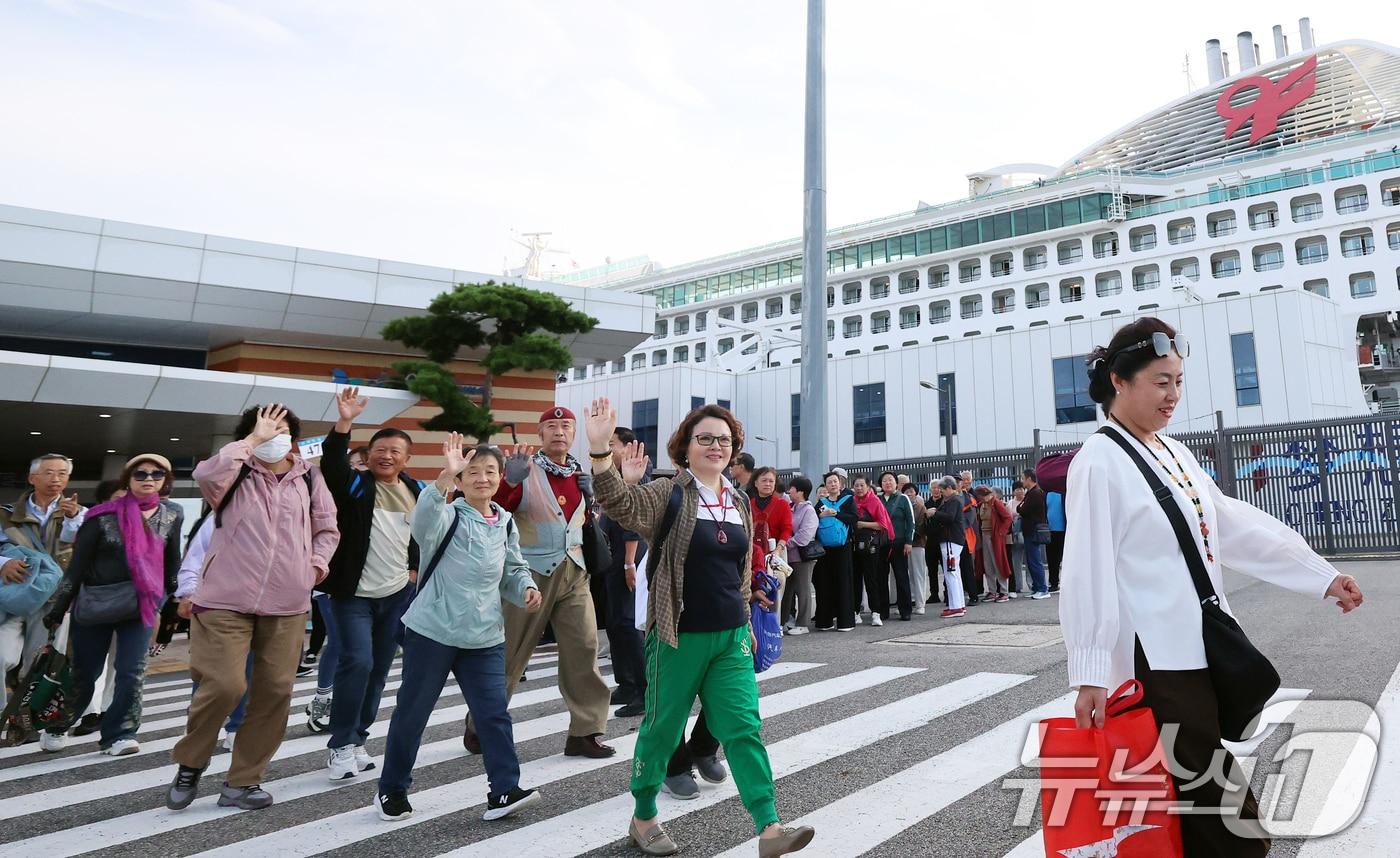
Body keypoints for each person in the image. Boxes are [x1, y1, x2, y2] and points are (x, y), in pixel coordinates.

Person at [1062, 317, 1364, 856]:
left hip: (1199, 647)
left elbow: (1229, 523)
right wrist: (1090, 674)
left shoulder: (1174, 453)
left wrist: (1321, 575)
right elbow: (1086, 571)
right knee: (1205, 792)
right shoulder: (1099, 462)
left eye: (1178, 380)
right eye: (1160, 381)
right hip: (1151, 660)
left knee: (1193, 790)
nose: (1174, 394)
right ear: (1118, 381)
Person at [589, 399, 815, 857]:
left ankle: (769, 826)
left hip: (731, 636)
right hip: (677, 635)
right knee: (662, 729)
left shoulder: (737, 500)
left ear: (734, 451)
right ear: (685, 447)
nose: (715, 446)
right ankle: (644, 815)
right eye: (705, 438)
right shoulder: (667, 493)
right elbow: (618, 504)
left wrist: (749, 614)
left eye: (724, 440)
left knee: (743, 727)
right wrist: (600, 453)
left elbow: (739, 570)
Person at [166, 403, 340, 812]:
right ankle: (191, 761)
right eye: (265, 428)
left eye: (281, 429)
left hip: (288, 602)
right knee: (225, 685)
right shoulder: (233, 472)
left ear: (294, 439)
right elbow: (205, 474)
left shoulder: (310, 478)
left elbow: (327, 529)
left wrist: (315, 566)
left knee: (275, 691)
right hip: (224, 599)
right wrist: (251, 441)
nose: (273, 435)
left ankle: (243, 780)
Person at [375, 434, 544, 822]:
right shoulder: (447, 514)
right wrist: (442, 480)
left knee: (493, 715)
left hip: (483, 636)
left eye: (490, 471)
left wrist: (527, 589)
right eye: (472, 472)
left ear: (501, 477)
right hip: (432, 631)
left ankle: (504, 790)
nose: (482, 478)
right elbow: (421, 523)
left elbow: (512, 570)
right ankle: (392, 789)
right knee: (413, 713)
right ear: (462, 479)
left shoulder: (503, 523)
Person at [463, 406, 614, 759]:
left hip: (574, 571)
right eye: (551, 426)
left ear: (574, 433)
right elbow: (493, 511)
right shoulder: (524, 468)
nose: (559, 432)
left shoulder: (580, 471)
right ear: (540, 432)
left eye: (565, 426)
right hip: (527, 573)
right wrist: (510, 482)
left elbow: (584, 520)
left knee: (584, 648)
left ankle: (585, 731)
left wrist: (593, 497)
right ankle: (480, 724)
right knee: (510, 652)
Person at [39, 454, 183, 755]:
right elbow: (76, 568)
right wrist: (58, 607)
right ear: (128, 480)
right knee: (85, 673)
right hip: (96, 604)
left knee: (132, 670)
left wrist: (171, 604)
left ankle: (120, 734)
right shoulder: (101, 517)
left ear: (165, 481)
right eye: (140, 474)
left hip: (141, 605)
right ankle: (58, 724)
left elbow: (172, 561)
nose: (148, 479)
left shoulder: (172, 514)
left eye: (156, 475)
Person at [319, 388, 425, 781]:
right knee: (357, 662)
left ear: (406, 458)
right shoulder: (356, 485)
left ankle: (358, 738)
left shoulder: (415, 491)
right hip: (352, 595)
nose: (387, 455)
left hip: (397, 595)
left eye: (396, 451)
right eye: (380, 449)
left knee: (379, 668)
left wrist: (413, 572)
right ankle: (340, 745)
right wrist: (344, 422)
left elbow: (424, 534)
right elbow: (332, 466)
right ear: (368, 454)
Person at [0, 453, 84, 714]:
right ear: (32, 478)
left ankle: (28, 716)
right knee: (2, 656)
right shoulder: (5, 514)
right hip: (15, 596)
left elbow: (84, 552)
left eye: (62, 473)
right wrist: (3, 562)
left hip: (54, 602)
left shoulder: (82, 516)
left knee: (39, 664)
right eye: (48, 472)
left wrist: (74, 519)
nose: (56, 479)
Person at [175, 513, 252, 752]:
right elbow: (196, 554)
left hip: (262, 604)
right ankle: (200, 731)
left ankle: (237, 727)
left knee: (248, 670)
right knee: (210, 670)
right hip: (216, 602)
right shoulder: (224, 511)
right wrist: (188, 591)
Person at [601, 426, 648, 718]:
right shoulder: (613, 474)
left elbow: (633, 520)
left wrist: (630, 563)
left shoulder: (636, 472)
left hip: (629, 555)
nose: (608, 448)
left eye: (612, 443)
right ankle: (626, 684)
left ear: (629, 446)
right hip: (613, 555)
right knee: (615, 623)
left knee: (630, 625)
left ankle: (644, 691)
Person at [812, 472, 856, 632]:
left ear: (840, 484)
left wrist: (836, 513)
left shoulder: (848, 500)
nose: (832, 484)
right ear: (825, 485)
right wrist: (821, 515)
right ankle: (825, 621)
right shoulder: (820, 503)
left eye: (835, 481)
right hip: (824, 550)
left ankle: (846, 622)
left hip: (843, 548)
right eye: (829, 482)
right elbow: (813, 522)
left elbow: (854, 519)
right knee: (824, 584)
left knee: (844, 583)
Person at [849, 476, 894, 626]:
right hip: (854, 545)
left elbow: (882, 525)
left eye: (862, 485)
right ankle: (855, 612)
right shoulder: (850, 501)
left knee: (872, 579)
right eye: (856, 485)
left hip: (871, 546)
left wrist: (862, 524)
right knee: (855, 580)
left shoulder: (875, 501)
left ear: (868, 486)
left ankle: (876, 613)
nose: (859, 488)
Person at [747, 467, 792, 609]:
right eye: (764, 480)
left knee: (776, 582)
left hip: (775, 551)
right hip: (752, 552)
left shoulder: (782, 504)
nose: (768, 484)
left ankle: (774, 624)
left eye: (771, 481)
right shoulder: (747, 504)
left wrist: (778, 549)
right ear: (755, 483)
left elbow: (787, 529)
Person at [782, 476, 818, 634]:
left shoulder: (809, 510)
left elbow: (805, 536)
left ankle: (803, 624)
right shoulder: (792, 507)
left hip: (802, 558)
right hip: (789, 557)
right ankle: (782, 621)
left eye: (792, 488)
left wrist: (785, 544)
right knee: (786, 590)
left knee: (803, 590)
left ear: (801, 491)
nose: (789, 491)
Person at [927, 476, 967, 619]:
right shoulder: (955, 500)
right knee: (955, 573)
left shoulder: (954, 501)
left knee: (951, 573)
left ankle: (956, 607)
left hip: (951, 540)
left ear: (949, 488)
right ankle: (959, 604)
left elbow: (949, 518)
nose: (941, 492)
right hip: (953, 539)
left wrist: (935, 513)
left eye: (942, 489)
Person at [878, 472, 915, 621]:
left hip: (899, 544)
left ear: (896, 483)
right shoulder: (877, 499)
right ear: (881, 484)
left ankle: (905, 610)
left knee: (901, 577)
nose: (887, 483)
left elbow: (910, 522)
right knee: (880, 578)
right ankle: (882, 610)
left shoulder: (903, 498)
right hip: (881, 544)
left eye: (890, 480)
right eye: (884, 481)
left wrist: (909, 542)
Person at [973, 486, 1013, 603]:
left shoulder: (996, 503)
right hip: (984, 536)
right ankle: (992, 590)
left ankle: (1004, 591)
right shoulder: (982, 504)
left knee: (998, 563)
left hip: (994, 537)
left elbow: (1007, 518)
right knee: (988, 564)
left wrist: (1001, 532)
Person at [1018, 470, 1050, 599]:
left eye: (1023, 478)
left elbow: (1022, 509)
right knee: (1031, 561)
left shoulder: (1035, 493)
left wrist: (1021, 507)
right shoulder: (1031, 493)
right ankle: (1037, 588)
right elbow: (1021, 507)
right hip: (1029, 531)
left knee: (1035, 561)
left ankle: (1043, 589)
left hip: (1033, 531)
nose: (1022, 481)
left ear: (1029, 479)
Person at [901, 483, 930, 613]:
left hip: (917, 544)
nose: (908, 493)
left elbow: (921, 527)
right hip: (904, 545)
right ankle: (911, 601)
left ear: (916, 493)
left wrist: (908, 536)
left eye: (911, 491)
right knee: (908, 575)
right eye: (906, 491)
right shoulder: (902, 506)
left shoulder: (920, 507)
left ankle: (920, 604)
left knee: (918, 574)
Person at [1007, 485, 1029, 596]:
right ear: (1013, 491)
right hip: (1016, 535)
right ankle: (1017, 585)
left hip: (1027, 533)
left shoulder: (1028, 500)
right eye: (1017, 489)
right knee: (1016, 562)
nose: (1020, 491)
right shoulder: (1010, 503)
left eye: (1021, 488)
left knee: (1029, 561)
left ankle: (1032, 584)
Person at [1046, 489, 1066, 594]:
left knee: (1062, 558)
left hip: (1063, 529)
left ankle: (1063, 582)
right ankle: (1053, 582)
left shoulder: (1064, 492)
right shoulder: (1047, 493)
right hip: (1049, 530)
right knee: (1051, 558)